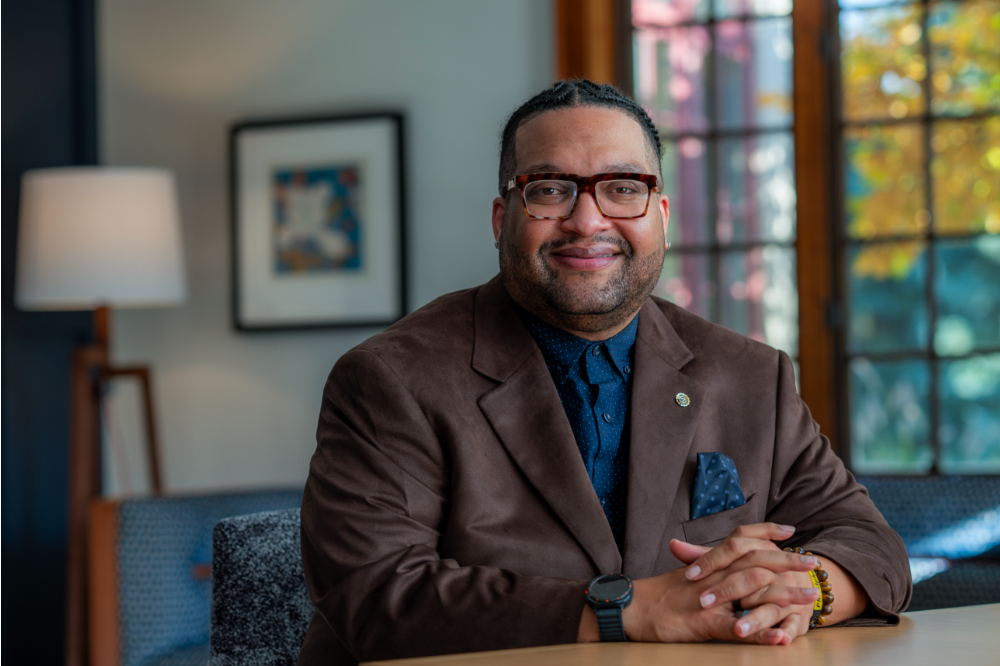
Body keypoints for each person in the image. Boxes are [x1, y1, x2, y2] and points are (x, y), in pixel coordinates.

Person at [297, 80, 911, 666]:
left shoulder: (752, 374)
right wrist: (627, 611)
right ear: (500, 217)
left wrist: (806, 592)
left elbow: (871, 546)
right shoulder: (389, 378)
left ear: (661, 217)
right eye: (549, 189)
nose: (588, 221)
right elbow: (377, 596)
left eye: (622, 187)